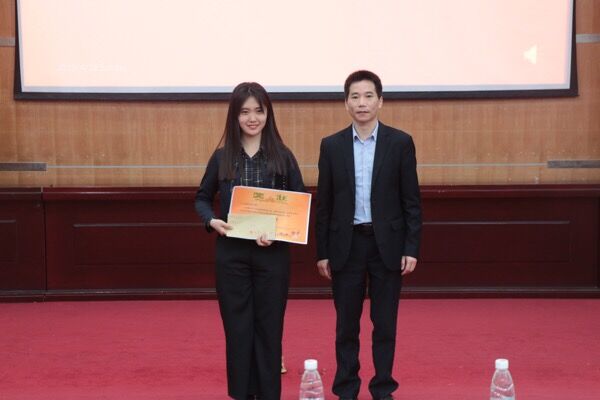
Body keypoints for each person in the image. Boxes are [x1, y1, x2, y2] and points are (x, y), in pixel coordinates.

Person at [315, 70, 422, 400]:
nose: (362, 103)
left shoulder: (400, 143)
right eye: (355, 97)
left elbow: (411, 201)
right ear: (346, 103)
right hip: (346, 245)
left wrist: (411, 247)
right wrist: (322, 252)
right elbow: (324, 204)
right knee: (346, 324)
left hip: (386, 246)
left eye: (368, 96)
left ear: (380, 101)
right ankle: (346, 388)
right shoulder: (331, 146)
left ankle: (383, 388)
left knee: (385, 323)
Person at [195, 82, 305, 400]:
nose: (252, 118)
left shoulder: (283, 156)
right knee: (238, 329)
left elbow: (299, 203)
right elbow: (202, 198)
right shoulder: (222, 157)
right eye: (245, 112)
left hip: (273, 255)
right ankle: (242, 394)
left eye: (259, 110)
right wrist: (211, 220)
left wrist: (279, 231)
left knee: (269, 328)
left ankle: (269, 394)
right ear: (235, 116)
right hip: (231, 256)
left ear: (268, 114)